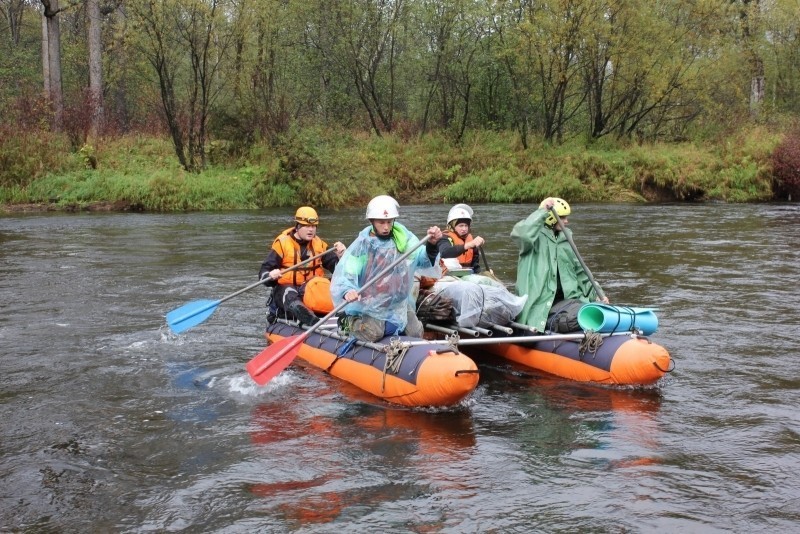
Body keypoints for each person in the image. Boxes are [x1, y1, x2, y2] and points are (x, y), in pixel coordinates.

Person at [330, 195, 443, 342]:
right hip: (371, 303)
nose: (386, 227)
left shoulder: (404, 238)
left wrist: (432, 245)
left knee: (415, 333)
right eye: (381, 222)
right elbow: (347, 273)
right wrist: (347, 291)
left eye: (389, 222)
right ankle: (347, 322)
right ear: (372, 221)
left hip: (398, 303)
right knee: (373, 333)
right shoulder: (363, 244)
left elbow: (423, 260)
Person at [510, 197, 609, 333]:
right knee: (576, 314)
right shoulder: (532, 239)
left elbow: (581, 273)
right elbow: (522, 235)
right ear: (551, 217)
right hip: (541, 303)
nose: (566, 221)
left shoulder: (566, 238)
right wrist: (542, 211)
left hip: (569, 302)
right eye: (562, 217)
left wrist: (598, 295)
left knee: (595, 309)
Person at [259, 206, 346, 325]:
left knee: (334, 284)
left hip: (309, 290)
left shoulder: (319, 244)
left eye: (313, 226)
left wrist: (342, 257)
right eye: (307, 226)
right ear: (297, 226)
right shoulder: (282, 244)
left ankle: (345, 314)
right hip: (288, 290)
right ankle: (307, 316)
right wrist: (270, 275)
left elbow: (338, 270)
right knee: (287, 291)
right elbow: (263, 272)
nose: (311, 230)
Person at [437, 203, 485, 274]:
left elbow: (475, 266)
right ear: (452, 226)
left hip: (467, 275)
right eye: (461, 226)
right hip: (447, 274)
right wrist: (467, 245)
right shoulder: (444, 238)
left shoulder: (471, 241)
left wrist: (484, 274)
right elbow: (444, 253)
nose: (464, 229)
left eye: (466, 226)